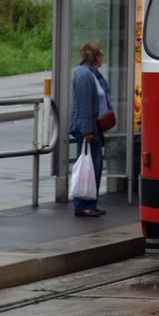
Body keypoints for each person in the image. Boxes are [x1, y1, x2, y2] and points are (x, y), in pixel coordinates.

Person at [68, 41, 110, 217]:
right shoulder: (85, 75)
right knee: (90, 166)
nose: (103, 57)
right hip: (88, 128)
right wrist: (87, 131)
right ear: (96, 57)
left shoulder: (92, 74)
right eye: (101, 54)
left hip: (94, 127)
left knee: (95, 166)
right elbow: (84, 105)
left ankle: (90, 202)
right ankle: (83, 204)